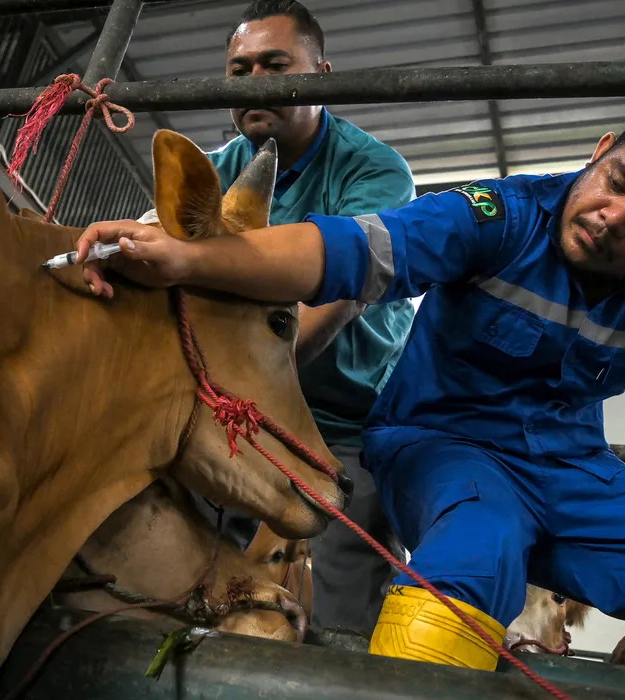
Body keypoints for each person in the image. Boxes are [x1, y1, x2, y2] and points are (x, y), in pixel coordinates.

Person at [75, 95, 625, 679]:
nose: (613, 218)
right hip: (442, 445)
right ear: (601, 152)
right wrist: (187, 259)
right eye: (616, 183)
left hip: (571, 472)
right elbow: (348, 252)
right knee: (478, 548)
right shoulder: (499, 216)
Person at [190, 0, 415, 637]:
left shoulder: (374, 169)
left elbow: (338, 292)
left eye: (275, 64)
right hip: (238, 408)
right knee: (201, 565)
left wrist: (247, 381)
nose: (255, 80)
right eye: (240, 69)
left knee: (348, 598)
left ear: (321, 73)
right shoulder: (217, 168)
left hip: (346, 416)